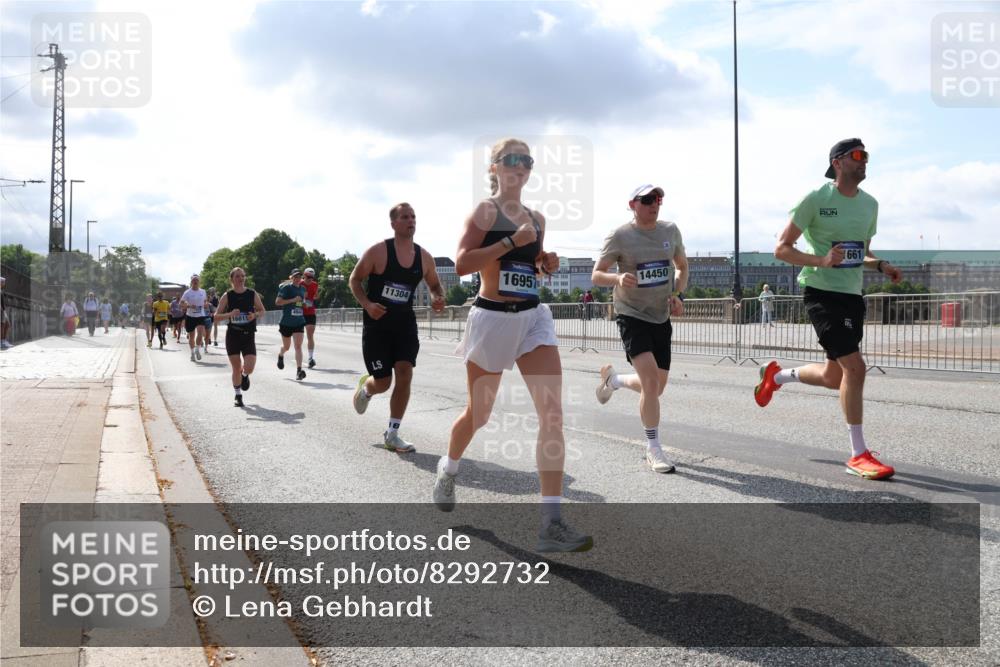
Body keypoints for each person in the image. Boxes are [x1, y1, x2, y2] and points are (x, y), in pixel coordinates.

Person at [431, 137, 591, 553]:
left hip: (532, 318)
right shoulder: (485, 212)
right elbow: (462, 263)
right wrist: (509, 242)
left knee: (552, 414)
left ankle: (551, 522)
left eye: (527, 160)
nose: (521, 165)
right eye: (512, 159)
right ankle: (449, 469)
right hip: (492, 319)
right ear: (495, 168)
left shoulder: (537, 218)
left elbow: (528, 267)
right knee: (479, 414)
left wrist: (544, 263)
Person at [754, 138, 902, 480]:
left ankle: (776, 376)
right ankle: (858, 454)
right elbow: (781, 248)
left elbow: (861, 253)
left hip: (851, 295)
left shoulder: (870, 205)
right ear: (837, 162)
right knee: (856, 368)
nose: (864, 161)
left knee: (834, 377)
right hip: (821, 293)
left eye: (867, 156)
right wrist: (821, 260)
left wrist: (881, 266)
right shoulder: (816, 198)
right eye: (857, 155)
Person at [592, 184, 688, 474]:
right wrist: (618, 278)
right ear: (632, 204)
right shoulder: (620, 235)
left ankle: (615, 381)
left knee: (656, 387)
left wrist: (678, 294)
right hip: (631, 315)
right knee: (649, 382)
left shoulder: (670, 230)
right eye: (647, 200)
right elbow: (597, 274)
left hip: (660, 316)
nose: (654, 204)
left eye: (658, 199)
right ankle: (654, 448)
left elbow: (682, 266)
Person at [349, 203, 446, 453]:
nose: (411, 220)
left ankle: (392, 434)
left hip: (404, 325)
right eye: (405, 217)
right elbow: (355, 279)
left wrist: (438, 297)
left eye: (413, 216)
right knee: (383, 383)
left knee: (405, 373)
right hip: (377, 326)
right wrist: (367, 304)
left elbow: (435, 285)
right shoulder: (378, 251)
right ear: (393, 223)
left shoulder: (424, 257)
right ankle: (367, 388)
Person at [214, 267, 266, 407]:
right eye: (237, 276)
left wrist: (254, 315)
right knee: (236, 367)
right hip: (233, 335)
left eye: (243, 276)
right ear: (231, 279)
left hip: (248, 335)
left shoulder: (252, 293)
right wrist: (230, 314)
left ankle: (245, 376)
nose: (241, 278)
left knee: (249, 367)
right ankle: (238, 395)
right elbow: (216, 317)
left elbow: (262, 311)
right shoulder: (227, 295)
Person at [275, 269, 308, 380]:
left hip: (299, 321)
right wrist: (293, 300)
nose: (298, 279)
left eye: (299, 277)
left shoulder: (303, 289)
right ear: (291, 278)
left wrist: (303, 304)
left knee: (298, 346)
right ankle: (281, 354)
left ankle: (299, 371)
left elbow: (299, 302)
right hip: (286, 322)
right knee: (287, 347)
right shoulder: (286, 288)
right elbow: (278, 302)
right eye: (295, 277)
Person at [181, 275, 209, 362]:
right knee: (191, 336)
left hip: (200, 315)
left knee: (200, 333)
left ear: (199, 281)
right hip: (190, 316)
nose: (195, 281)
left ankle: (197, 349)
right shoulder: (187, 292)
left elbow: (205, 301)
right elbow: (181, 304)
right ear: (191, 282)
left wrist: (206, 304)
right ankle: (192, 353)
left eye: (197, 280)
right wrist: (189, 305)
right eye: (194, 280)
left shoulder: (203, 291)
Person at [302, 268, 320, 368]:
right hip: (299, 313)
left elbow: (316, 296)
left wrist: (313, 297)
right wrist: (302, 301)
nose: (310, 279)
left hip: (310, 312)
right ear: (304, 275)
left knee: (310, 335)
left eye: (312, 277)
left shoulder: (315, 284)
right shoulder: (299, 283)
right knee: (299, 337)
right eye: (308, 277)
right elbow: (293, 299)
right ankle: (299, 355)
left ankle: (310, 358)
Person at [1, 277, 12, 349]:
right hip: (1, 310)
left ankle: (3, 341)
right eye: (3, 282)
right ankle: (1, 342)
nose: (4, 283)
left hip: (3, 310)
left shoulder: (1, 291)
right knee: (2, 326)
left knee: (7, 324)